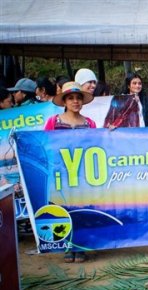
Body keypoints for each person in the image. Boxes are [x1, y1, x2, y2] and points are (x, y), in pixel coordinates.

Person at [45, 81, 96, 262]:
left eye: (78, 98)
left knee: (81, 209)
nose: (75, 101)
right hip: (61, 175)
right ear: (65, 101)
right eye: (71, 98)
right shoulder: (53, 122)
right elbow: (45, 145)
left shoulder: (89, 123)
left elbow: (98, 145)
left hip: (83, 175)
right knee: (63, 209)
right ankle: (67, 245)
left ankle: (80, 246)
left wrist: (110, 133)